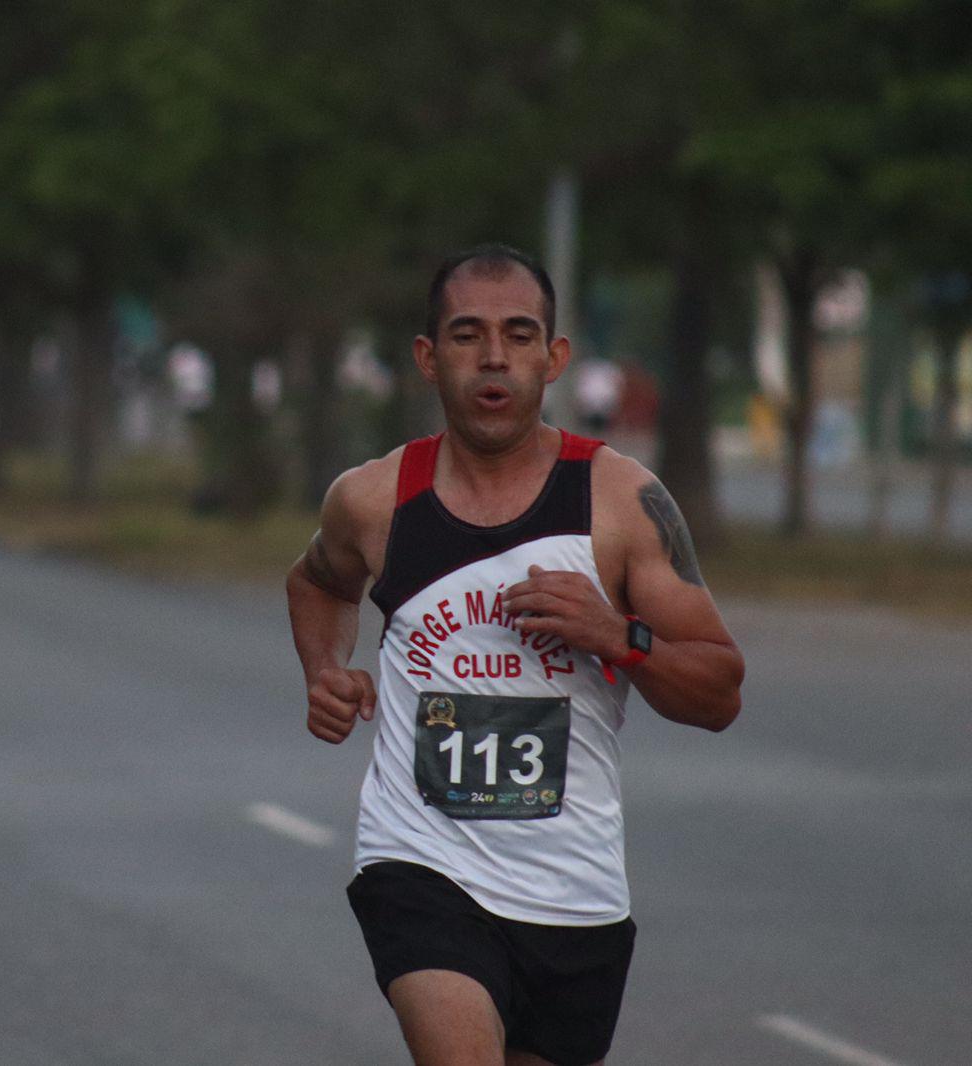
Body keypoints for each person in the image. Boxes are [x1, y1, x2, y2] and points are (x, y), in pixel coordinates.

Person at [285, 245, 744, 1066]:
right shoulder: (374, 498)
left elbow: (719, 692)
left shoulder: (621, 502)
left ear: (554, 357)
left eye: (519, 334)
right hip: (421, 863)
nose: (494, 357)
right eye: (467, 335)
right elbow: (318, 583)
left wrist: (617, 636)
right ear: (429, 358)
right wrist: (325, 669)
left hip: (575, 893)